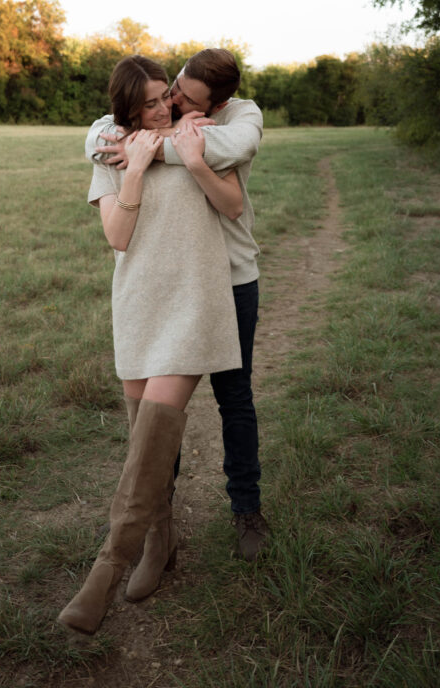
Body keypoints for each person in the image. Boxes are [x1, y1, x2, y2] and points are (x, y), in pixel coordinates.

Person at [58, 55, 244, 635]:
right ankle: (159, 542)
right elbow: (118, 235)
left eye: (167, 96)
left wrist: (186, 152)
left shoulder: (200, 135)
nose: (165, 107)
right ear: (126, 109)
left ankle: (106, 569)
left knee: (158, 427)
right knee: (146, 445)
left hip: (194, 301)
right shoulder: (109, 152)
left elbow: (233, 203)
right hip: (139, 302)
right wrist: (134, 169)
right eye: (151, 102)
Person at [85, 48, 269, 562]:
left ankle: (246, 510)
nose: (174, 102)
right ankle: (154, 522)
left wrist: (163, 147)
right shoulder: (155, 115)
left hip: (232, 278)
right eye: (173, 90)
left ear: (220, 102)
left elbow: (236, 150)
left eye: (187, 98)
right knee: (162, 411)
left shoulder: (238, 119)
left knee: (235, 400)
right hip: (176, 281)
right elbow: (99, 134)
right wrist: (143, 141)